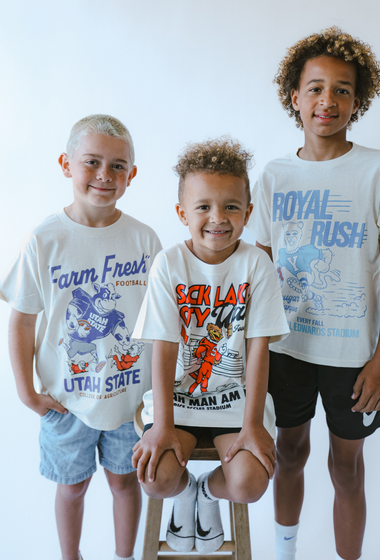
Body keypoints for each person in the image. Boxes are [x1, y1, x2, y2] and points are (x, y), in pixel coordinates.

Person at [247, 27, 380, 560]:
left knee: (347, 468)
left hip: (354, 356)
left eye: (342, 90)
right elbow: (261, 270)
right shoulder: (274, 176)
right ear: (294, 97)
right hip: (286, 350)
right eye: (316, 88)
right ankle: (286, 553)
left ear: (357, 101)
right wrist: (253, 352)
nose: (328, 100)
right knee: (289, 454)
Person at [0, 114, 162, 560]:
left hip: (131, 401)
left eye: (117, 166)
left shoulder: (144, 239)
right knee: (71, 488)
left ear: (131, 174)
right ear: (66, 164)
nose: (104, 175)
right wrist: (27, 393)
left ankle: (124, 557)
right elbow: (21, 321)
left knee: (124, 482)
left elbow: (161, 322)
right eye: (92, 162)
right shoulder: (44, 239)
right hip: (65, 401)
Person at [132, 137, 289, 554]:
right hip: (177, 402)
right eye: (203, 206)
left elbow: (259, 348)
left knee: (249, 484)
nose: (217, 217)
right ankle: (186, 490)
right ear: (182, 213)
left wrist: (252, 424)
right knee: (156, 479)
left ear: (247, 212)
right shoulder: (169, 264)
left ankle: (207, 492)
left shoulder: (256, 264)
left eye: (231, 206)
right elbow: (164, 347)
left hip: (237, 404)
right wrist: (162, 425)